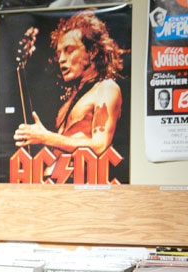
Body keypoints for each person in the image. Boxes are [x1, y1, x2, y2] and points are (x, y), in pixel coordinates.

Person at [13, 10, 125, 166]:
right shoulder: (70, 100)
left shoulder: (106, 88)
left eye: (69, 50)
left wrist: (46, 137)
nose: (61, 60)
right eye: (59, 53)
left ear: (91, 51)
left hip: (83, 186)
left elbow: (101, 147)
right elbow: (63, 147)